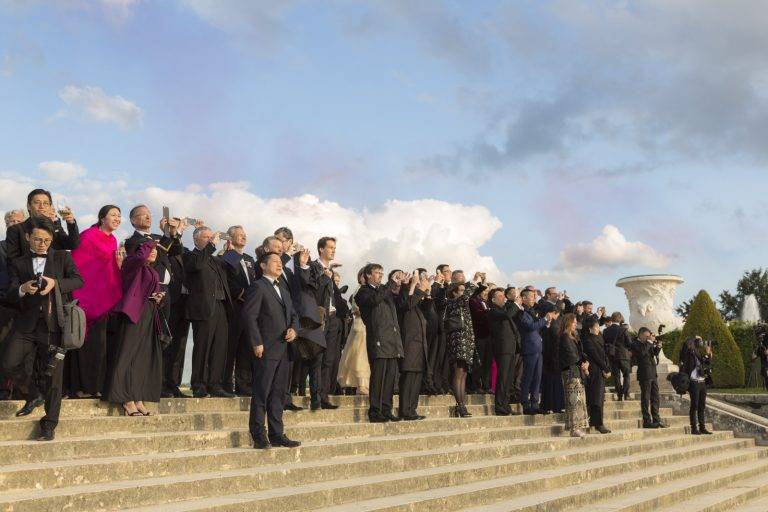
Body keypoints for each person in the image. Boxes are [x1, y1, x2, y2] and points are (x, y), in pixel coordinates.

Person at [2, 217, 83, 440]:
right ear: (28, 237)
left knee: (54, 378)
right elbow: (9, 292)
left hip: (54, 324)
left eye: (47, 240)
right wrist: (22, 288)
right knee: (8, 363)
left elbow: (78, 280)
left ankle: (49, 425)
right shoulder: (18, 262)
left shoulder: (62, 256)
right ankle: (33, 393)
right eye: (38, 239)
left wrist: (56, 283)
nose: (42, 244)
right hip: (26, 324)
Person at [242, 251, 301, 449]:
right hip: (266, 349)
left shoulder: (284, 290)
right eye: (274, 261)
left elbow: (294, 315)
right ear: (263, 265)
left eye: (280, 261)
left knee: (278, 394)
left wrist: (294, 329)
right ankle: (258, 434)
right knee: (261, 392)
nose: (279, 264)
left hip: (284, 350)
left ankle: (277, 434)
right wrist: (256, 342)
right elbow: (249, 316)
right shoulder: (258, 286)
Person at [67, 205, 124, 398]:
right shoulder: (88, 236)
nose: (117, 218)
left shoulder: (113, 240)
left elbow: (110, 267)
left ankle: (95, 387)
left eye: (119, 216)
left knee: (100, 346)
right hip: (86, 298)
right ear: (102, 218)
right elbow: (78, 263)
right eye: (113, 215)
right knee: (82, 343)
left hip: (104, 298)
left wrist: (118, 265)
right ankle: (80, 388)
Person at [105, 239, 165, 416]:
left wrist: (158, 298)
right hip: (133, 314)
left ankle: (138, 397)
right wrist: (150, 242)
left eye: (155, 249)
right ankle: (126, 399)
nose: (153, 251)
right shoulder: (131, 263)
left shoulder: (151, 270)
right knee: (128, 356)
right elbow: (139, 258)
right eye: (150, 249)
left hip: (148, 313)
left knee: (142, 357)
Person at [184, 226, 233, 398]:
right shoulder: (191, 256)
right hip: (204, 307)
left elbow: (233, 271)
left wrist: (230, 253)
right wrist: (212, 246)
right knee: (202, 347)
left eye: (211, 237)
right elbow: (197, 265)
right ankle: (199, 384)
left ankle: (215, 384)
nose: (211, 240)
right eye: (206, 237)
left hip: (221, 306)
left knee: (219, 347)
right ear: (196, 239)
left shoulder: (216, 260)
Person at [356, 263, 404, 423]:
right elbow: (375, 300)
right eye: (377, 272)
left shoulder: (384, 290)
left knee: (390, 377)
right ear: (368, 275)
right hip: (377, 339)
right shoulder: (363, 292)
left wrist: (402, 285)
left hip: (392, 339)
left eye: (382, 273)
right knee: (378, 377)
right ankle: (375, 411)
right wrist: (390, 283)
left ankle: (386, 409)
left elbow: (399, 302)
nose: (380, 275)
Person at [220, 225, 257, 396]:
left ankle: (243, 385)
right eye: (239, 234)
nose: (243, 237)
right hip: (234, 307)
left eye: (244, 234)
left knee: (245, 348)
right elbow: (227, 279)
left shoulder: (249, 259)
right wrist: (243, 294)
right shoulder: (226, 255)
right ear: (230, 237)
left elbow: (254, 280)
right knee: (230, 347)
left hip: (249, 310)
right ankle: (226, 383)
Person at [5, 188, 80, 264]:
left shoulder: (55, 227)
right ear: (28, 206)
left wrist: (71, 223)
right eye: (37, 203)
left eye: (46, 203)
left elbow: (73, 244)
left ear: (50, 207)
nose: (42, 206)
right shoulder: (15, 230)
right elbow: (13, 261)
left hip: (55, 271)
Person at [397, 271, 431, 420]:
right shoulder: (405, 301)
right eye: (415, 285)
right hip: (409, 345)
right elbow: (408, 302)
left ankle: (412, 409)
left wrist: (427, 293)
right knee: (409, 378)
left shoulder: (417, 305)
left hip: (420, 345)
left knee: (417, 379)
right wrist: (415, 286)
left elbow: (428, 310)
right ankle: (405, 410)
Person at [0, 209, 26, 400]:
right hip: (5, 306)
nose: (14, 224)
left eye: (18, 221)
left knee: (24, 351)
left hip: (27, 306)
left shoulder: (31, 249)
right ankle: (3, 389)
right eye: (11, 222)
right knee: (3, 347)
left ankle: (21, 390)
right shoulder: (0, 247)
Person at [316, 237, 344, 408]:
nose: (333, 250)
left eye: (335, 248)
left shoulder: (331, 272)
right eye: (330, 247)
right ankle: (315, 396)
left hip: (333, 319)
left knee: (329, 360)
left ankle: (324, 397)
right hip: (320, 318)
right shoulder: (313, 267)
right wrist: (326, 276)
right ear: (321, 249)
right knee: (317, 358)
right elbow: (313, 290)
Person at [443, 279, 477, 417]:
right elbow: (466, 296)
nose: (464, 293)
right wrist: (473, 282)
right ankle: (460, 405)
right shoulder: (452, 302)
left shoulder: (463, 305)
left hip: (467, 342)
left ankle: (462, 405)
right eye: (461, 291)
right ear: (454, 293)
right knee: (458, 374)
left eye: (464, 290)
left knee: (463, 375)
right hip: (457, 342)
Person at [518, 289, 555, 415]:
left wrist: (546, 323)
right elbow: (530, 327)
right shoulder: (522, 312)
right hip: (529, 348)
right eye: (531, 296)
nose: (534, 299)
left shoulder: (534, 312)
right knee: (528, 377)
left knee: (537, 378)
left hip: (538, 348)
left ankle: (535, 404)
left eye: (534, 296)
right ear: (523, 298)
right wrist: (544, 319)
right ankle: (525, 404)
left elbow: (537, 328)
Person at [487, 287, 521, 415]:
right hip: (502, 348)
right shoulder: (493, 311)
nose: (504, 298)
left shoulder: (504, 309)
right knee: (503, 377)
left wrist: (517, 306)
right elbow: (507, 315)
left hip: (511, 348)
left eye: (503, 296)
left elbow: (513, 315)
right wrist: (516, 304)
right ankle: (500, 406)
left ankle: (505, 405)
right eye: (500, 296)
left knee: (508, 378)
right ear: (493, 299)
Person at [337, 269, 370, 394]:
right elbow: (357, 310)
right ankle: (361, 385)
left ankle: (365, 384)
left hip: (365, 325)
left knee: (364, 355)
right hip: (360, 326)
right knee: (360, 355)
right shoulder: (360, 290)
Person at [557, 313, 590, 438]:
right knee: (574, 401)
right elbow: (571, 355)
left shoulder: (574, 337)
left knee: (580, 400)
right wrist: (582, 363)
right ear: (568, 322)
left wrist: (586, 362)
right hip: (570, 372)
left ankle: (579, 426)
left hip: (577, 371)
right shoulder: (564, 337)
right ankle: (574, 428)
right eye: (574, 322)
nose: (576, 324)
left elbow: (580, 353)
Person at [631, 327, 668, 429]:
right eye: (647, 336)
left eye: (649, 336)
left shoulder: (647, 343)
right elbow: (642, 353)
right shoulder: (635, 344)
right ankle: (646, 421)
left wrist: (658, 346)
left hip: (653, 373)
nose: (648, 337)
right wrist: (650, 342)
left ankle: (656, 419)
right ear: (641, 335)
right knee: (646, 398)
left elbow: (653, 353)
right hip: (644, 374)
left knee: (655, 397)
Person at [582, 317, 612, 434]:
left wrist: (607, 368)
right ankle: (597, 423)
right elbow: (595, 356)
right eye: (596, 327)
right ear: (590, 328)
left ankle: (598, 422)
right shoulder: (587, 340)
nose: (598, 329)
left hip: (601, 370)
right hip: (594, 371)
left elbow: (604, 355)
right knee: (595, 398)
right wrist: (605, 368)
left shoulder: (599, 337)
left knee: (599, 398)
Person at [679, 336, 713, 435]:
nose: (698, 343)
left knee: (702, 406)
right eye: (696, 342)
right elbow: (683, 353)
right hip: (693, 382)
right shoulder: (687, 353)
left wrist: (708, 354)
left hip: (702, 381)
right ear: (690, 343)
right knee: (694, 405)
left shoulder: (697, 352)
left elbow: (706, 362)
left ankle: (702, 427)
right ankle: (694, 428)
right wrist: (691, 341)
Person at [539, 302, 564, 415]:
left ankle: (551, 406)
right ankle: (552, 406)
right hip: (551, 358)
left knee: (553, 383)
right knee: (552, 383)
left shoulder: (551, 324)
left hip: (550, 358)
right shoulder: (552, 325)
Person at [468, 278, 491, 393]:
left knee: (487, 362)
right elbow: (477, 314)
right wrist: (489, 312)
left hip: (488, 336)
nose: (486, 293)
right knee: (478, 361)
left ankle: (486, 385)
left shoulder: (486, 302)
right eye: (484, 291)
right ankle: (475, 385)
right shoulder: (473, 301)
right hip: (479, 335)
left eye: (487, 291)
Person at [603, 312, 632, 400]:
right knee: (626, 375)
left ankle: (619, 395)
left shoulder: (606, 330)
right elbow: (629, 343)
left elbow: (604, 343)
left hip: (612, 356)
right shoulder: (624, 330)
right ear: (620, 318)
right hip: (624, 355)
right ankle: (625, 393)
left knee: (616, 376)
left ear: (612, 319)